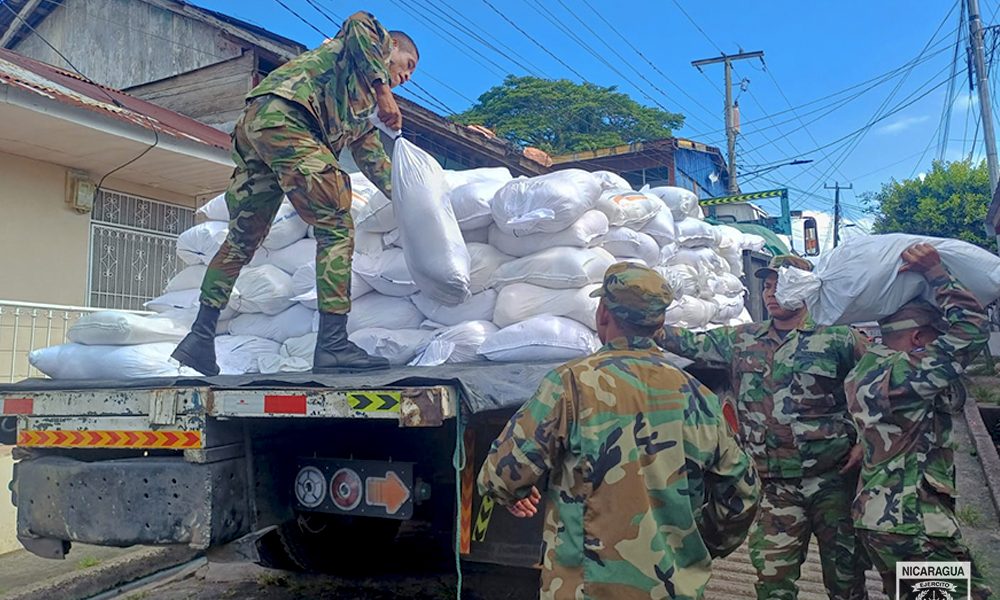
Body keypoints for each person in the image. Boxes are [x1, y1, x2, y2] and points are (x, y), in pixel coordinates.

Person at [478, 263, 760, 600]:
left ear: (602, 314)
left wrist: (513, 494)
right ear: (660, 325)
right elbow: (742, 493)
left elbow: (502, 475)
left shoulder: (571, 384)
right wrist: (696, 545)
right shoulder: (697, 395)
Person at [171, 12, 419, 375]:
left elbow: (375, 162)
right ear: (392, 47)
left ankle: (199, 338)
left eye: (410, 75)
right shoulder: (371, 41)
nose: (406, 77)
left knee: (242, 239)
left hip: (260, 126)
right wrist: (383, 92)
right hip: (288, 116)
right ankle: (333, 344)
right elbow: (358, 22)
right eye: (407, 64)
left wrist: (411, 197)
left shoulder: (362, 112)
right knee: (335, 224)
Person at [657, 255, 870, 600]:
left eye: (780, 285)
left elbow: (877, 390)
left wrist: (865, 441)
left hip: (832, 483)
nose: (770, 293)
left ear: (803, 289)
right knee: (772, 582)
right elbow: (687, 343)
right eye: (767, 286)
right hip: (773, 487)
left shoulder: (837, 338)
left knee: (846, 580)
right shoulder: (743, 339)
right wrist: (645, 317)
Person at [845, 243, 993, 599]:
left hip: (880, 519)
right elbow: (973, 328)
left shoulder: (865, 369)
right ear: (918, 338)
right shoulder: (907, 372)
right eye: (936, 337)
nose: (940, 343)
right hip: (915, 523)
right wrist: (936, 273)